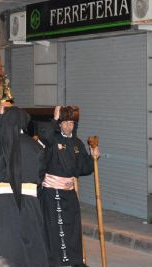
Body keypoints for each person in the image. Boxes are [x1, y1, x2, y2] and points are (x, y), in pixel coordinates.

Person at [0, 107, 47, 266]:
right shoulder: (35, 146)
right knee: (30, 245)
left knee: (4, 246)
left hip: (2, 203)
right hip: (29, 201)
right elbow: (40, 175)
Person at [38, 106, 99, 267]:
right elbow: (44, 136)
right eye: (64, 123)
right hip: (52, 192)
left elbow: (84, 168)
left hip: (69, 192)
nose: (67, 126)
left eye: (71, 123)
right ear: (60, 124)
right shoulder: (53, 140)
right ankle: (55, 262)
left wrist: (93, 158)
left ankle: (75, 260)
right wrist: (55, 118)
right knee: (54, 227)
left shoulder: (77, 143)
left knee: (72, 227)